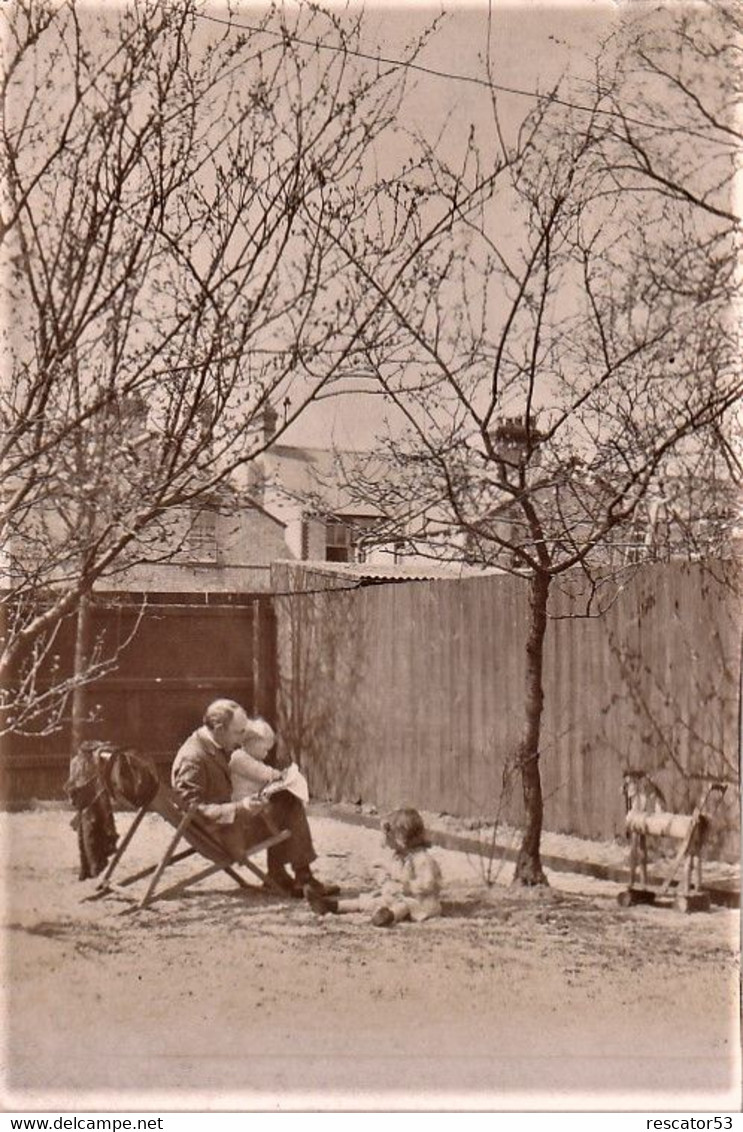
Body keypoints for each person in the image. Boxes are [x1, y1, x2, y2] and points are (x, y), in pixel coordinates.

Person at [171, 699, 337, 898]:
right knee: (288, 804)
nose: (243, 739)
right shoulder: (193, 758)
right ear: (219, 728)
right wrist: (240, 807)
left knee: (283, 798)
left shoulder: (212, 743)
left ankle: (284, 874)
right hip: (220, 835)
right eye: (239, 732)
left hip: (226, 826)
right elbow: (191, 809)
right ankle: (301, 877)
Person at [306, 806, 442, 927]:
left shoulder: (422, 860)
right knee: (371, 900)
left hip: (421, 902)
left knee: (403, 906)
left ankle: (389, 917)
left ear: (401, 838)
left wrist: (406, 887)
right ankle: (332, 906)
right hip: (401, 896)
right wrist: (387, 882)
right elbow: (395, 876)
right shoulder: (400, 856)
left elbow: (428, 885)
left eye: (389, 837)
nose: (386, 842)